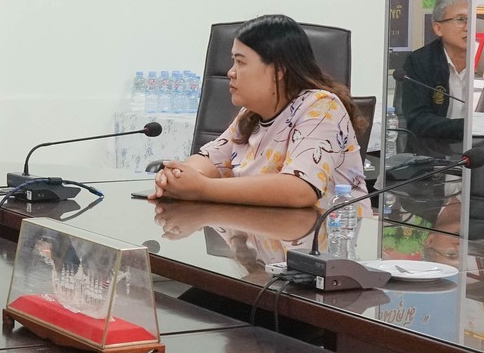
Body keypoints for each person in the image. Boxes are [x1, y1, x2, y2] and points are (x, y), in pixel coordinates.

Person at [152, 14, 365, 209]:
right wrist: (177, 176)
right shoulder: (252, 114)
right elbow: (209, 160)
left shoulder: (321, 106)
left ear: (279, 69)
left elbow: (299, 190)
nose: (230, 72)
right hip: (265, 234)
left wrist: (202, 188)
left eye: (240, 62)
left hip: (326, 242)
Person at [396, 0, 471, 153]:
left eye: (472, 19)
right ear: (438, 28)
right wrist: (468, 127)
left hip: (480, 151)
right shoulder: (420, 62)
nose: (468, 26)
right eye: (460, 19)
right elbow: (418, 120)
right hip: (433, 153)